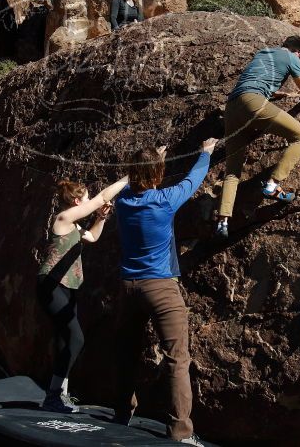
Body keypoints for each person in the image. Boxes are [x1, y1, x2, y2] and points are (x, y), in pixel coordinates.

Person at [113, 138, 218, 446]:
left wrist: (152, 162)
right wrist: (206, 153)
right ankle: (180, 432)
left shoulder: (122, 202)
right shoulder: (165, 200)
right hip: (160, 286)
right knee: (177, 359)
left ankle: (122, 411)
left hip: (128, 287)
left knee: (126, 352)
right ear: (158, 175)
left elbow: (136, 183)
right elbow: (193, 180)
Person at [37, 175, 129, 413]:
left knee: (65, 340)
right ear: (78, 202)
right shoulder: (63, 218)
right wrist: (128, 178)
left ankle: (59, 395)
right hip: (51, 284)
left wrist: (101, 218)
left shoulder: (76, 227)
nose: (90, 202)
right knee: (76, 338)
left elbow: (93, 236)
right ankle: (53, 396)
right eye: (86, 199)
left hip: (68, 286)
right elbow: (100, 198)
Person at [215, 36, 300, 238]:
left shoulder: (263, 53)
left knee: (232, 171)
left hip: (232, 108)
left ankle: (222, 221)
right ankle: (272, 185)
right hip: (253, 103)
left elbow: (256, 79)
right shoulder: (292, 57)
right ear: (299, 53)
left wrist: (273, 93)